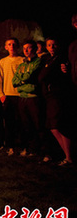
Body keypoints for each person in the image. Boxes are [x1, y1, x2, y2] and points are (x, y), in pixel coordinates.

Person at [38, 37, 72, 165]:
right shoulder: (47, 59)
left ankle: (69, 156)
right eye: (49, 45)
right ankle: (66, 155)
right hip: (48, 95)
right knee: (52, 127)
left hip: (56, 95)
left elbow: (46, 75)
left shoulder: (61, 59)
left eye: (54, 44)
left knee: (59, 125)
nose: (52, 47)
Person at [12, 40, 42, 157]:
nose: (26, 50)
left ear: (34, 49)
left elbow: (31, 76)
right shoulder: (22, 65)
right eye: (24, 48)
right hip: (22, 97)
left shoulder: (38, 62)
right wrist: (22, 80)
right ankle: (29, 148)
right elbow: (14, 81)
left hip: (33, 97)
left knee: (37, 124)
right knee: (26, 124)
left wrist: (22, 80)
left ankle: (42, 150)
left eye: (29, 48)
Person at [0, 38, 24, 156]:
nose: (11, 46)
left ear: (17, 46)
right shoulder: (3, 61)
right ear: (5, 47)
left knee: (22, 122)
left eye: (13, 44)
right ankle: (10, 146)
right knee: (9, 122)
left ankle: (24, 146)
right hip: (8, 96)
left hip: (20, 95)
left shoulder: (22, 60)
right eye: (9, 44)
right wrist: (1, 94)